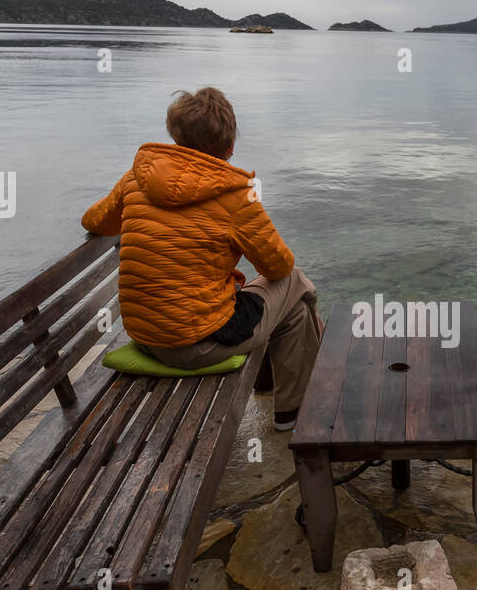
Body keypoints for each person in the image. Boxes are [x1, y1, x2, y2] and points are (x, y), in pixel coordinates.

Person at [82, 87, 321, 431]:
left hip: (146, 335)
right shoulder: (237, 194)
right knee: (295, 283)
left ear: (176, 136)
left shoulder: (137, 177)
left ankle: (287, 397)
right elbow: (277, 266)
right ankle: (296, 409)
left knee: (295, 307)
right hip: (195, 346)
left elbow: (95, 221)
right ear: (229, 147)